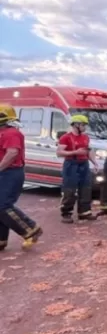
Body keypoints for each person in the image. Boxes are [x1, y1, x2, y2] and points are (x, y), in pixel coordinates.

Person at [0, 104, 42, 251]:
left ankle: (31, 230)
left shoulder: (11, 133)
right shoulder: (3, 132)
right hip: (5, 172)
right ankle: (1, 240)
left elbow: (12, 153)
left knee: (3, 205)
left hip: (10, 173)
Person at [57, 114, 98, 223]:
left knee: (86, 188)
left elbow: (88, 151)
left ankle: (84, 212)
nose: (85, 127)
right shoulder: (65, 137)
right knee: (70, 189)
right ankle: (66, 213)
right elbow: (59, 152)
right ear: (76, 125)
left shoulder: (85, 137)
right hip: (71, 164)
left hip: (84, 164)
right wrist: (75, 152)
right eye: (83, 125)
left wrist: (94, 163)